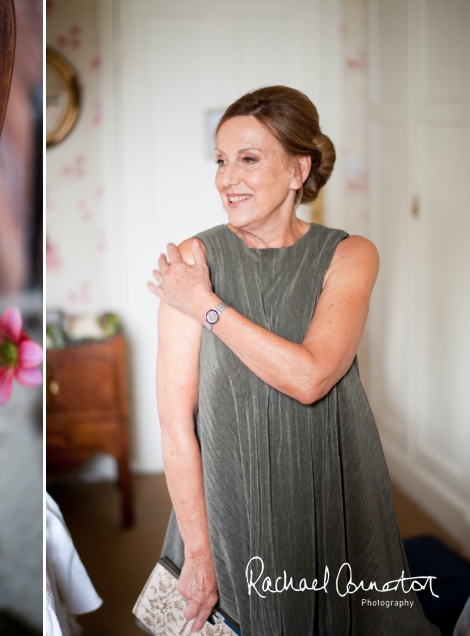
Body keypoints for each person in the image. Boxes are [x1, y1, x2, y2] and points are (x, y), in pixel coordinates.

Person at [147, 86, 439, 635]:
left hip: (331, 481)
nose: (226, 178)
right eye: (221, 159)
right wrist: (200, 551)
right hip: (231, 496)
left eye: (249, 159)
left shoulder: (351, 254)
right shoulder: (194, 258)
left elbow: (310, 377)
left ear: (297, 168)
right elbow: (174, 425)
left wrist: (205, 305)